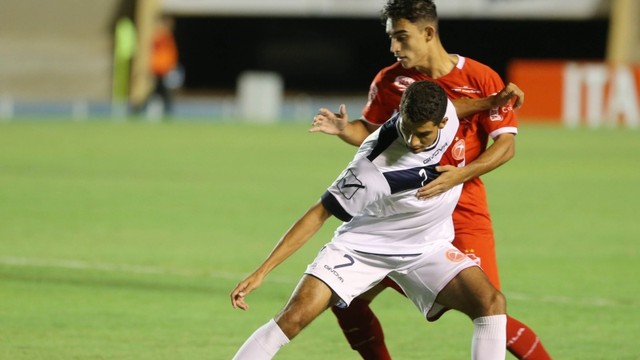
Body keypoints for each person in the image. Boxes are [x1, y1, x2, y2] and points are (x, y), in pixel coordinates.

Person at [310, 1, 551, 359]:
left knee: (489, 310)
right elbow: (374, 133)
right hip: (401, 216)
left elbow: (506, 146)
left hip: (463, 211)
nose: (394, 47)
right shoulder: (389, 80)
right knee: (347, 302)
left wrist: (461, 175)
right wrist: (347, 130)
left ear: (428, 33)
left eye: (401, 37)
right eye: (391, 38)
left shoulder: (481, 79)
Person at [230, 80, 507, 360]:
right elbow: (318, 213)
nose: (412, 141)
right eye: (407, 129)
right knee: (293, 318)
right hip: (364, 247)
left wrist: (490, 102)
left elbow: (455, 107)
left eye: (422, 134)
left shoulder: (441, 113)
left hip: (425, 246)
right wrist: (262, 271)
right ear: (400, 112)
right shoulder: (370, 169)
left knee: (491, 303)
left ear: (441, 122)